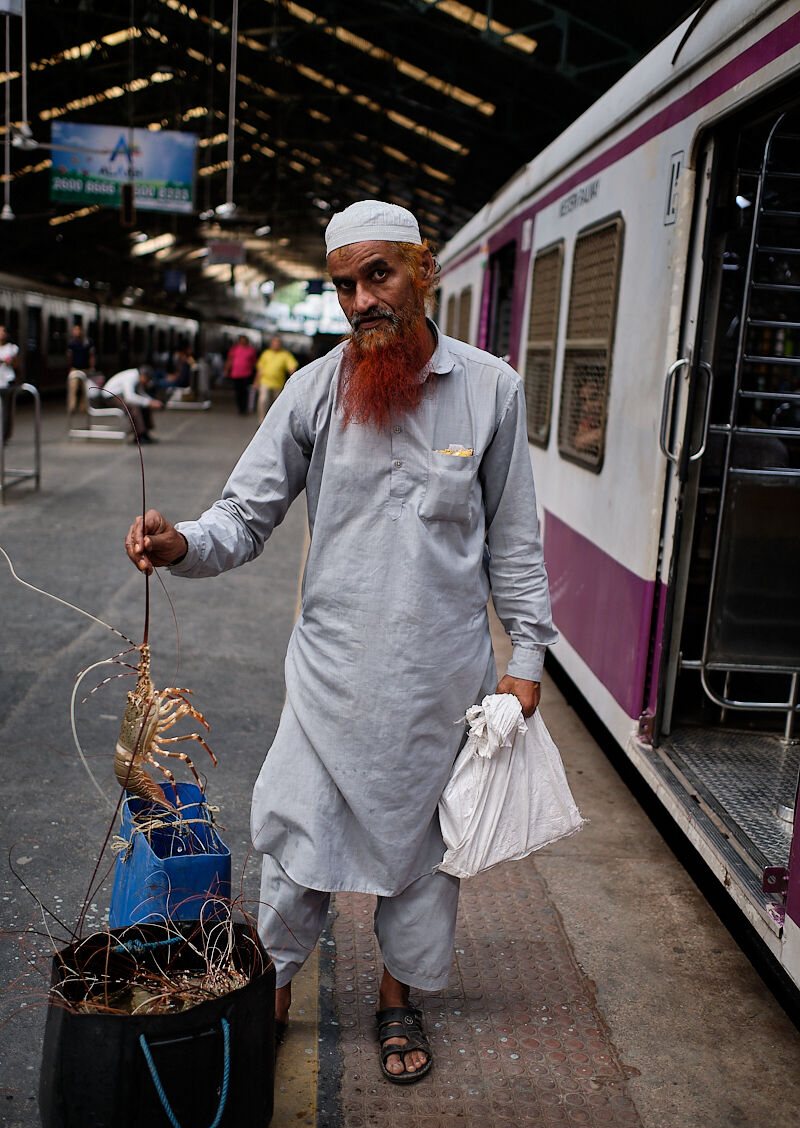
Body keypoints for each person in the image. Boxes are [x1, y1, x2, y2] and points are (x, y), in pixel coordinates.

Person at [125, 200, 557, 1083]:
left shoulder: (492, 390)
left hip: (441, 685)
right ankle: (273, 991)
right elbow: (244, 516)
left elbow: (515, 543)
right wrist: (182, 544)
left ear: (422, 269)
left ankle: (398, 1000)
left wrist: (527, 660)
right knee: (297, 845)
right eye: (344, 285)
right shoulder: (315, 390)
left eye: (378, 275)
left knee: (425, 858)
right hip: (328, 680)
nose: (361, 300)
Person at [97, 364, 163, 443]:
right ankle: (139, 434)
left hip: (121, 395)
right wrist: (148, 402)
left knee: (143, 405)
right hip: (110, 396)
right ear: (143, 376)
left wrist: (151, 401)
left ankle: (145, 432)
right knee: (133, 406)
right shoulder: (131, 377)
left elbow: (141, 394)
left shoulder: (137, 378)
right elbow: (130, 397)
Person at [255, 335, 298, 422]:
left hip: (278, 383)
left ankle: (274, 421)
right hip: (265, 381)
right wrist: (256, 382)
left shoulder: (285, 355)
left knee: (276, 403)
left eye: (278, 343)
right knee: (263, 399)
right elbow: (260, 369)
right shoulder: (266, 354)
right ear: (271, 344)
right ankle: (261, 420)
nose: (276, 345)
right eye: (274, 343)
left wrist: (294, 381)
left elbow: (292, 368)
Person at [66, 323, 96, 415]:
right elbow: (70, 356)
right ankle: (72, 407)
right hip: (75, 369)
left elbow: (91, 356)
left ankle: (83, 407)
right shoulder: (71, 344)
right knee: (73, 388)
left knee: (85, 389)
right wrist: (70, 367)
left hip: (85, 369)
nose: (76, 332)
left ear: (82, 331)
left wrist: (92, 367)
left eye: (78, 330)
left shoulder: (88, 342)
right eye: (75, 330)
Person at [224, 334, 258, 415]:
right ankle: (240, 408)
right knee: (238, 391)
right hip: (236, 374)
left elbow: (254, 362)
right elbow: (230, 360)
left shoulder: (251, 350)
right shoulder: (234, 349)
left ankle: (245, 407)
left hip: (247, 374)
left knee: (245, 391)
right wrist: (226, 370)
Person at [0, 324, 20, 443]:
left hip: (8, 381)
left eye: (3, 331)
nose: (1, 334)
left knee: (6, 410)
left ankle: (5, 435)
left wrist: (9, 362)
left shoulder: (11, 348)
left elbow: (17, 365)